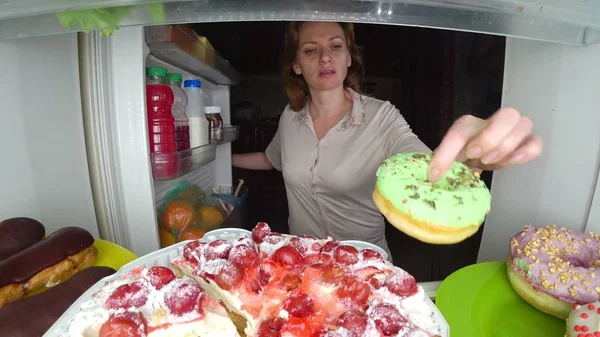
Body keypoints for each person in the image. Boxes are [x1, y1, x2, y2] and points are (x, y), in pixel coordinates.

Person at [232, 21, 543, 258]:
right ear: (297, 65)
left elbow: (427, 167)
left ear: (349, 59)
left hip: (365, 264)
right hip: (303, 260)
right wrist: (221, 158)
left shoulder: (381, 117)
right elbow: (272, 159)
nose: (325, 57)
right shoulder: (290, 117)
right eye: (311, 50)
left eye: (336, 46)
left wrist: (469, 157)